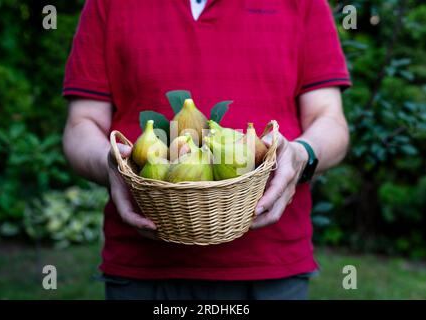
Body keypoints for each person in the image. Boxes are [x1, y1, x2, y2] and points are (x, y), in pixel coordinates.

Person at [62, 0, 351, 300]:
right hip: (143, 266)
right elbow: (80, 126)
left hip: (271, 265)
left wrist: (302, 154)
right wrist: (112, 166)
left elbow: (330, 121)